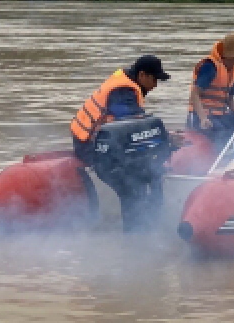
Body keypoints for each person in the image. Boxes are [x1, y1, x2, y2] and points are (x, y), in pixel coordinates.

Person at [70, 54, 172, 230]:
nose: (155, 86)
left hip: (101, 140)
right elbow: (128, 124)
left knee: (150, 172)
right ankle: (134, 237)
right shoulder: (123, 92)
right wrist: (166, 139)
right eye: (154, 80)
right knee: (131, 186)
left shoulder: (126, 81)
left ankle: (148, 225)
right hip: (90, 145)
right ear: (143, 76)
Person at [188, 33, 234, 140]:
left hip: (220, 116)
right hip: (201, 116)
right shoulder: (210, 66)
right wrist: (203, 118)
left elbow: (229, 99)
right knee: (224, 135)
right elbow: (195, 93)